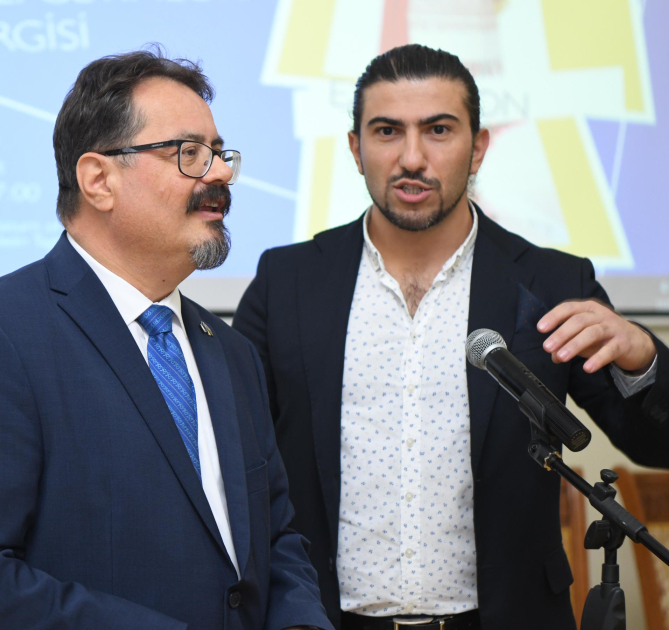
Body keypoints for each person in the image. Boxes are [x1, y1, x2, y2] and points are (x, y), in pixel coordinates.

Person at [233, 44, 669, 630]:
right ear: (356, 149)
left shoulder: (552, 283)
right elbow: (235, 458)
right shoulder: (286, 281)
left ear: (478, 147)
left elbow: (656, 447)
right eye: (387, 131)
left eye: (438, 130)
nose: (412, 157)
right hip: (324, 619)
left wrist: (644, 361)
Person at [0, 49, 331, 630]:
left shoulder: (231, 352)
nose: (221, 174)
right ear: (98, 180)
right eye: (189, 153)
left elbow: (274, 539)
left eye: (219, 153)